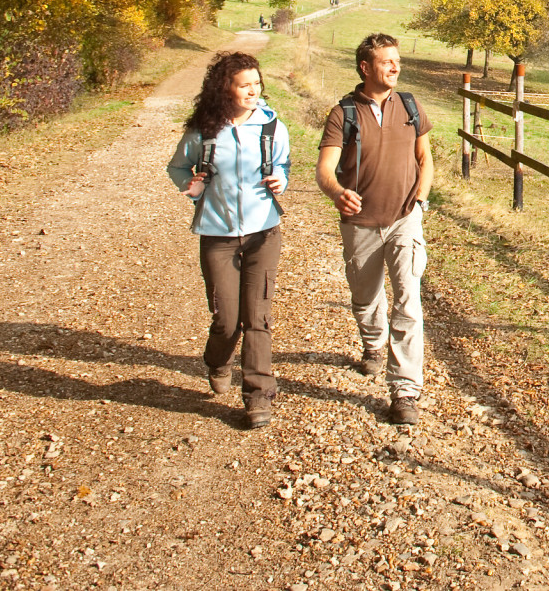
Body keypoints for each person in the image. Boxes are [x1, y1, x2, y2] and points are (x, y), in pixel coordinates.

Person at [166, 50, 289, 430]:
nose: (254, 91)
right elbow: (177, 167)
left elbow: (283, 166)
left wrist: (280, 180)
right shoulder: (204, 131)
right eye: (244, 85)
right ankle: (217, 361)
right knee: (226, 319)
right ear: (225, 90)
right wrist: (189, 185)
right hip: (217, 234)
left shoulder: (273, 128)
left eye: (257, 83)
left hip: (263, 232)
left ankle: (257, 397)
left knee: (258, 317)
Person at [316, 32, 433, 425]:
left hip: (404, 219)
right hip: (361, 224)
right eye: (387, 61)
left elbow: (425, 158)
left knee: (407, 301)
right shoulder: (343, 113)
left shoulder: (411, 106)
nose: (396, 67)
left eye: (397, 60)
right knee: (366, 298)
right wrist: (337, 193)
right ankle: (373, 344)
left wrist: (421, 196)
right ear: (366, 68)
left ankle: (405, 391)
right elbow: (324, 171)